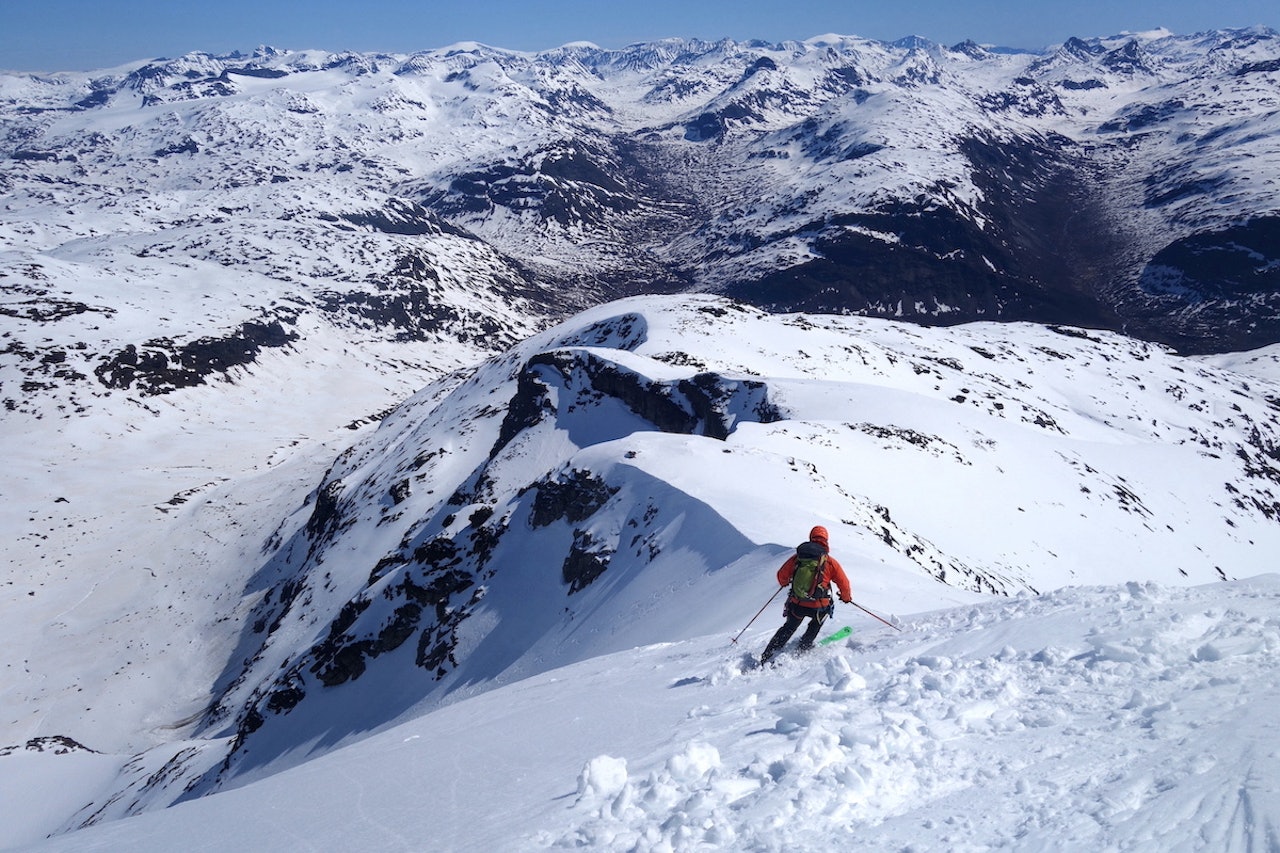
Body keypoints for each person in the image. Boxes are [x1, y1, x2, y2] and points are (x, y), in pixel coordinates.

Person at [760, 525, 852, 665]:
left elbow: (781, 576)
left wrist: (786, 582)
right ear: (826, 541)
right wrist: (846, 598)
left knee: (789, 627)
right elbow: (844, 583)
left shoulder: (798, 558)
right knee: (815, 624)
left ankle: (768, 654)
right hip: (819, 606)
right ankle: (803, 648)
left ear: (811, 538)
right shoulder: (830, 562)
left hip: (797, 604)